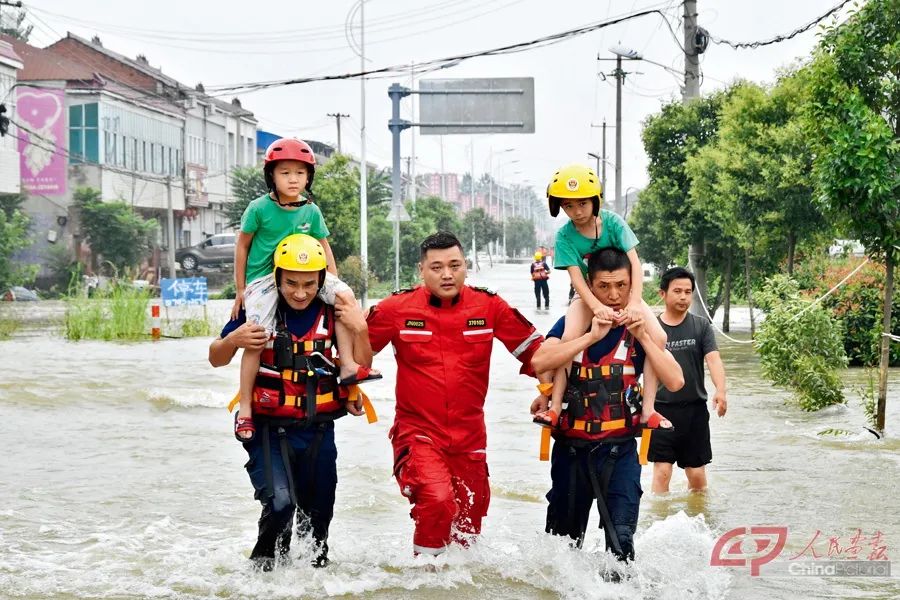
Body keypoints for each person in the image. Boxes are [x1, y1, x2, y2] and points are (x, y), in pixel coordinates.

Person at [365, 231, 544, 556]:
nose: (447, 274)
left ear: (465, 266)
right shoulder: (395, 309)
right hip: (418, 434)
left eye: (454, 265)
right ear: (421, 270)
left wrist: (549, 389)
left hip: (470, 439)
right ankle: (425, 580)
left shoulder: (489, 307)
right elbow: (353, 355)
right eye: (436, 267)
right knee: (437, 499)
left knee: (468, 528)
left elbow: (538, 354)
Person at [209, 234, 376, 570]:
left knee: (319, 515)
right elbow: (216, 358)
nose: (300, 293)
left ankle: (310, 582)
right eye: (291, 283)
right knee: (281, 504)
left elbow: (360, 361)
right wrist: (232, 338)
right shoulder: (258, 307)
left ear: (321, 280)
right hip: (267, 428)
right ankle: (260, 576)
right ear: (277, 277)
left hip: (317, 429)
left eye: (309, 284)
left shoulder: (335, 308)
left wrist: (360, 329)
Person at [530, 247, 684, 570]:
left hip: (620, 453)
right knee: (563, 548)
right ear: (589, 286)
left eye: (622, 286)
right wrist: (589, 338)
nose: (614, 296)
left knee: (622, 547)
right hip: (571, 453)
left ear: (633, 285)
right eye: (603, 287)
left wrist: (642, 335)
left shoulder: (640, 329)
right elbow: (540, 361)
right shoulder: (571, 325)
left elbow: (676, 380)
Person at [231, 138, 379, 442]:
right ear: (271, 176)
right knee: (256, 337)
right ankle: (245, 407)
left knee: (345, 298)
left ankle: (349, 365)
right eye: (285, 173)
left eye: (300, 173)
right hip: (265, 279)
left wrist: (333, 287)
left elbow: (325, 249)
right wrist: (241, 289)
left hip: (307, 274)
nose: (293, 179)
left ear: (308, 177)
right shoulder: (258, 209)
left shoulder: (311, 212)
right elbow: (242, 246)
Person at [534, 164, 668, 430]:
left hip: (627, 293)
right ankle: (554, 407)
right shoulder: (563, 236)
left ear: (594, 201)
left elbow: (635, 265)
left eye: (582, 204)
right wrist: (596, 307)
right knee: (569, 339)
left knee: (660, 338)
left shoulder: (614, 224)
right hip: (586, 295)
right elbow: (576, 279)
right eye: (568, 206)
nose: (577, 212)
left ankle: (648, 410)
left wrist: (634, 303)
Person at [646, 267, 727, 493]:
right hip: (660, 410)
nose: (683, 297)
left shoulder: (701, 326)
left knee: (697, 475)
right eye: (677, 291)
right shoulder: (651, 329)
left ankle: (700, 522)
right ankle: (660, 525)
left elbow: (713, 360)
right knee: (662, 472)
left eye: (688, 292)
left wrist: (721, 390)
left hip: (694, 411)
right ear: (662, 294)